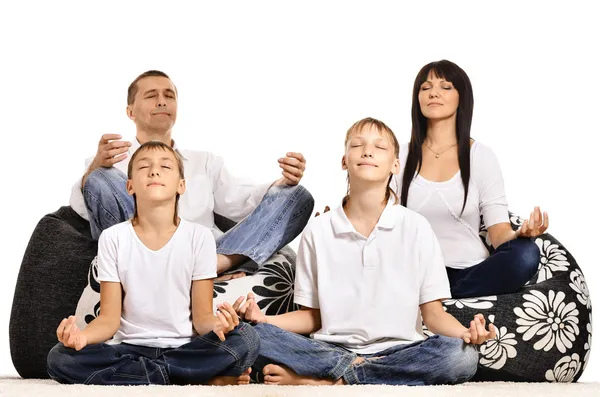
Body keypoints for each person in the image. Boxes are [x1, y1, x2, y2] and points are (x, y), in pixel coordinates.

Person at [236, 117, 494, 386]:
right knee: (248, 334)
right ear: (344, 161)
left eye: (379, 147)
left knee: (461, 356)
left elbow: (434, 315)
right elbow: (312, 317)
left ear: (396, 165)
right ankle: (361, 370)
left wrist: (467, 334)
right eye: (357, 145)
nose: (367, 151)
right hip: (331, 350)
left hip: (400, 350)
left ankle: (332, 380)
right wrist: (264, 319)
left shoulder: (416, 227)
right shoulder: (319, 230)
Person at [47, 141, 260, 385]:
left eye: (165, 166)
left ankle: (146, 375)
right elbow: (108, 320)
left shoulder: (199, 237)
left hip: (185, 348)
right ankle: (191, 376)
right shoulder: (114, 238)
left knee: (246, 338)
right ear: (129, 186)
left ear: (181, 185)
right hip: (129, 348)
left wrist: (220, 325)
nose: (154, 171)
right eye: (144, 167)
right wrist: (81, 338)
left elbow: (202, 319)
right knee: (60, 358)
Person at [69, 70, 314, 281]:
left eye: (169, 96)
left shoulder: (204, 161)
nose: (162, 102)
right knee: (100, 178)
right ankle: (158, 268)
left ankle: (216, 265)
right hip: (145, 253)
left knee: (297, 196)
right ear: (130, 111)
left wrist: (284, 182)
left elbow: (243, 203)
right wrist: (95, 169)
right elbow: (81, 211)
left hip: (209, 252)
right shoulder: (111, 162)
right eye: (151, 96)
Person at [393, 60, 548, 298]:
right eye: (425, 88)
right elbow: (383, 221)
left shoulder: (480, 156)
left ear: (461, 98)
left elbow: (498, 234)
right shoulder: (399, 155)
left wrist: (520, 234)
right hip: (413, 271)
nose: (433, 92)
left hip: (469, 271)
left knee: (525, 254)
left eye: (445, 87)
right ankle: (433, 296)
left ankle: (435, 297)